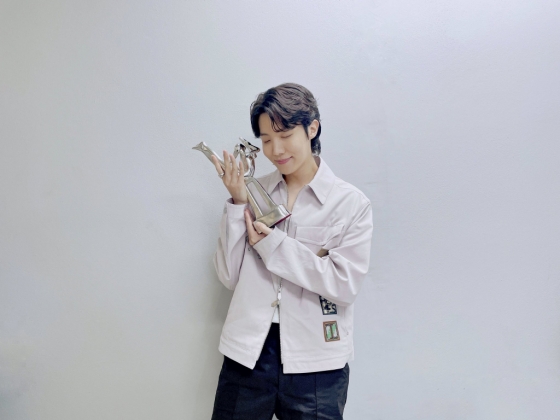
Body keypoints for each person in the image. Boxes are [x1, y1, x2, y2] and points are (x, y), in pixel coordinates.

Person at [209, 83, 373, 419]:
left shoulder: (350, 204)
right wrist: (237, 204)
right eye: (266, 139)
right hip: (247, 353)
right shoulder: (254, 191)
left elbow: (343, 285)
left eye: (285, 135)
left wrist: (271, 245)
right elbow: (229, 277)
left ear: (312, 128)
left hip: (317, 363)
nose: (276, 149)